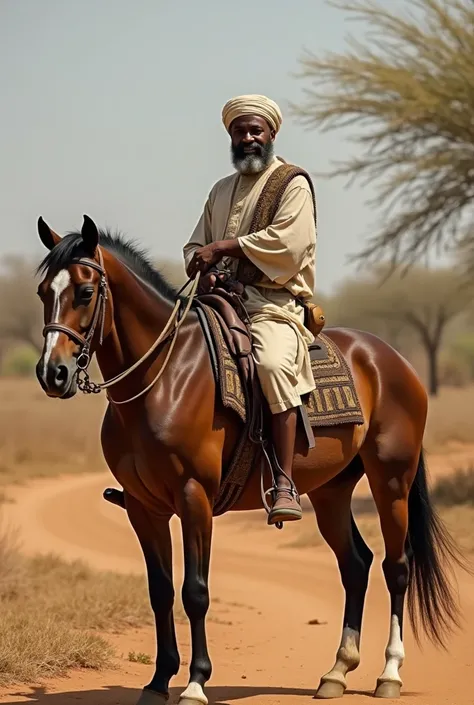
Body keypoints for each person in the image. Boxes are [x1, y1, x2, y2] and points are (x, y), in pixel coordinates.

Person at [184, 94, 317, 524]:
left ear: (272, 133)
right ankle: (151, 474)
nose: (248, 138)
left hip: (271, 304)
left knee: (274, 363)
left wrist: (224, 247)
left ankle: (283, 482)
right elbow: (195, 243)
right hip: (218, 300)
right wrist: (202, 266)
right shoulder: (219, 190)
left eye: (255, 130)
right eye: (240, 132)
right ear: (230, 136)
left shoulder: (292, 183)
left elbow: (290, 245)